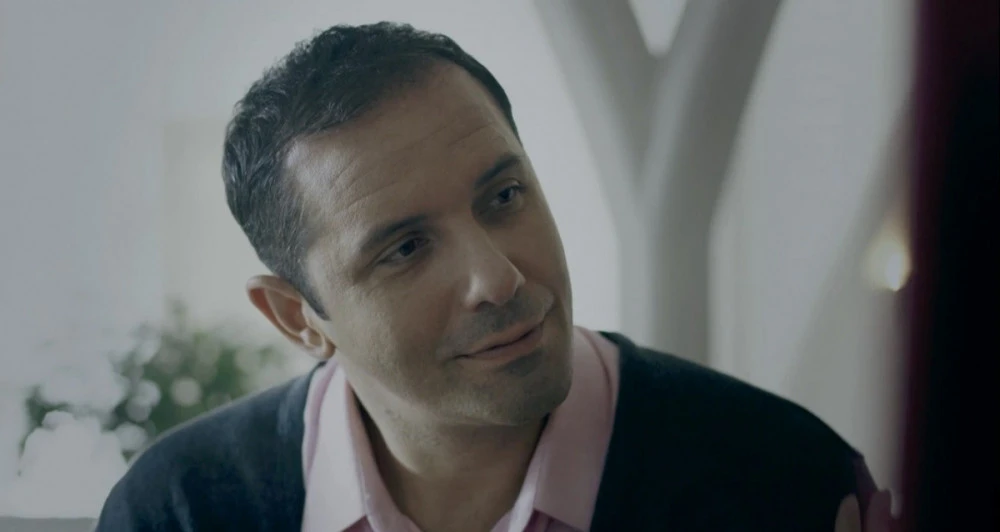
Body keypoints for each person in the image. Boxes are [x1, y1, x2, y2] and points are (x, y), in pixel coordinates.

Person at [95, 22, 894, 531]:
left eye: (504, 197)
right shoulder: (179, 512)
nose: (498, 278)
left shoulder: (785, 485)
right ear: (296, 315)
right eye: (405, 249)